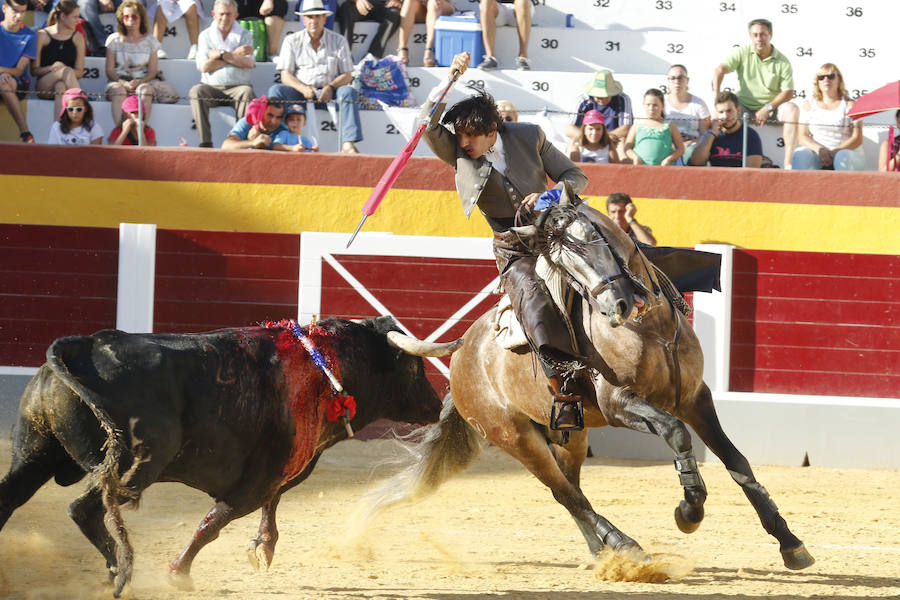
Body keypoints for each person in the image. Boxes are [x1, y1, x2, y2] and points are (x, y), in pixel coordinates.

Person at [422, 51, 589, 430]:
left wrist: (548, 196)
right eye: (459, 134)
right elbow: (426, 124)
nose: (463, 142)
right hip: (514, 249)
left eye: (470, 135)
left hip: (557, 231)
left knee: (612, 266)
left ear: (492, 131)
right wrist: (449, 79)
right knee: (534, 303)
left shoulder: (529, 135)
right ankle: (563, 394)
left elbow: (576, 177)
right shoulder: (457, 153)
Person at [268, 0, 361, 154]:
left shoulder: (339, 40)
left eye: (317, 16)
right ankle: (277, 138)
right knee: (276, 90)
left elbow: (347, 75)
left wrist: (331, 87)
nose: (313, 21)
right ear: (303, 20)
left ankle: (348, 143)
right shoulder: (292, 40)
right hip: (301, 93)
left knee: (348, 92)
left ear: (325, 18)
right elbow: (285, 75)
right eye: (309, 17)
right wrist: (303, 88)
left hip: (330, 92)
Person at [712, 18, 799, 168]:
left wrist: (768, 108)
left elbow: (788, 92)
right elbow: (719, 70)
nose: (759, 38)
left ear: (770, 35)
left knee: (792, 109)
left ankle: (788, 165)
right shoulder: (742, 52)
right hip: (743, 106)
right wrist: (716, 99)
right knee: (717, 114)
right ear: (751, 37)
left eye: (763, 34)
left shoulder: (783, 61)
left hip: (772, 108)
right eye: (755, 35)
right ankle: (715, 159)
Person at [189, 0, 255, 148]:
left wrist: (220, 55)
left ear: (236, 15)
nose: (225, 18)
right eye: (221, 14)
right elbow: (204, 66)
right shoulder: (205, 35)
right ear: (213, 14)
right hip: (211, 87)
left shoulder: (245, 34)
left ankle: (239, 141)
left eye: (229, 14)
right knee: (196, 91)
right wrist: (234, 55)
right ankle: (205, 142)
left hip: (238, 87)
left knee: (247, 92)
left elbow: (250, 63)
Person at [105, 0, 177, 124]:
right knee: (119, 91)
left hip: (143, 81)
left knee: (145, 91)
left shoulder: (151, 41)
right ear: (121, 18)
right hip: (119, 81)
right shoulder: (113, 40)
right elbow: (110, 70)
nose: (130, 20)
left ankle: (142, 130)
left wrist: (139, 82)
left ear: (141, 18)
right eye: (126, 16)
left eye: (134, 16)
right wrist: (124, 83)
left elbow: (152, 71)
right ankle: (120, 131)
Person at [792, 63, 864, 171]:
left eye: (831, 76)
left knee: (842, 156)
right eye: (821, 77)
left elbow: (857, 139)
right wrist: (820, 150)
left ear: (839, 80)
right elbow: (802, 137)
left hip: (847, 154)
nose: (826, 79)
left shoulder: (851, 105)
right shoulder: (808, 105)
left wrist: (834, 152)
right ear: (817, 82)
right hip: (819, 154)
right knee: (801, 154)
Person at [32, 0, 86, 121]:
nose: (79, 20)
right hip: (44, 85)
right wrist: (53, 68)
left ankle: (58, 128)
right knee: (65, 71)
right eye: (75, 17)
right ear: (62, 16)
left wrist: (63, 70)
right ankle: (82, 104)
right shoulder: (42, 35)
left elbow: (80, 72)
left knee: (60, 86)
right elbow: (34, 71)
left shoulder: (78, 37)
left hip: (66, 86)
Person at [565, 69, 632, 160]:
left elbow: (626, 128)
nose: (601, 99)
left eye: (605, 96)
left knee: (622, 143)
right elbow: (569, 129)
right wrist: (592, 138)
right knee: (572, 144)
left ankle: (622, 172)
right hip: (586, 139)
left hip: (612, 140)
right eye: (598, 96)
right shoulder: (583, 100)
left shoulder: (623, 99)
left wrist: (603, 138)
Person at [689, 91, 762, 168]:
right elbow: (696, 161)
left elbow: (752, 171)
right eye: (721, 112)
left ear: (738, 110)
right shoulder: (710, 135)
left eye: (729, 111)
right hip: (716, 178)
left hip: (740, 178)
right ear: (716, 114)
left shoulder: (750, 135)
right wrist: (712, 134)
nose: (725, 116)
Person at [0, 0, 36, 142]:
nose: (19, 16)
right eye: (15, 11)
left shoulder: (29, 36)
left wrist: (3, 73)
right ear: (4, 8)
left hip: (17, 83)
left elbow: (19, 70)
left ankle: (25, 133)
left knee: (5, 83)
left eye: (22, 11)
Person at [624, 88, 684, 166]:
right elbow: (627, 148)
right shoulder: (637, 125)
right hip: (641, 168)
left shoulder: (669, 126)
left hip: (664, 169)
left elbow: (681, 149)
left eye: (655, 105)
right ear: (643, 105)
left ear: (662, 106)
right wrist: (635, 158)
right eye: (648, 105)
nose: (651, 108)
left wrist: (669, 159)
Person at [664, 64, 709, 165]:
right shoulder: (662, 104)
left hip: (691, 145)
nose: (676, 82)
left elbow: (704, 134)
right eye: (673, 78)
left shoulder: (699, 104)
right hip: (667, 145)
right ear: (668, 80)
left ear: (687, 80)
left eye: (680, 78)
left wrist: (689, 144)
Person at [395, 0, 452, 67]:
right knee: (409, 1)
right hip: (420, 8)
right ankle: (402, 50)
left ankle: (429, 50)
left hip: (441, 5)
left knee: (433, 3)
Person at [477, 0, 530, 71]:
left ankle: (523, 58)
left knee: (522, 1)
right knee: (486, 1)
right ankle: (490, 58)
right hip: (497, 10)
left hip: (519, 9)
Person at [221, 95, 289, 149]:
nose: (273, 121)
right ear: (261, 113)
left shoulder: (283, 129)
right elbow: (226, 146)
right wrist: (252, 143)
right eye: (270, 115)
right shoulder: (247, 122)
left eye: (278, 117)